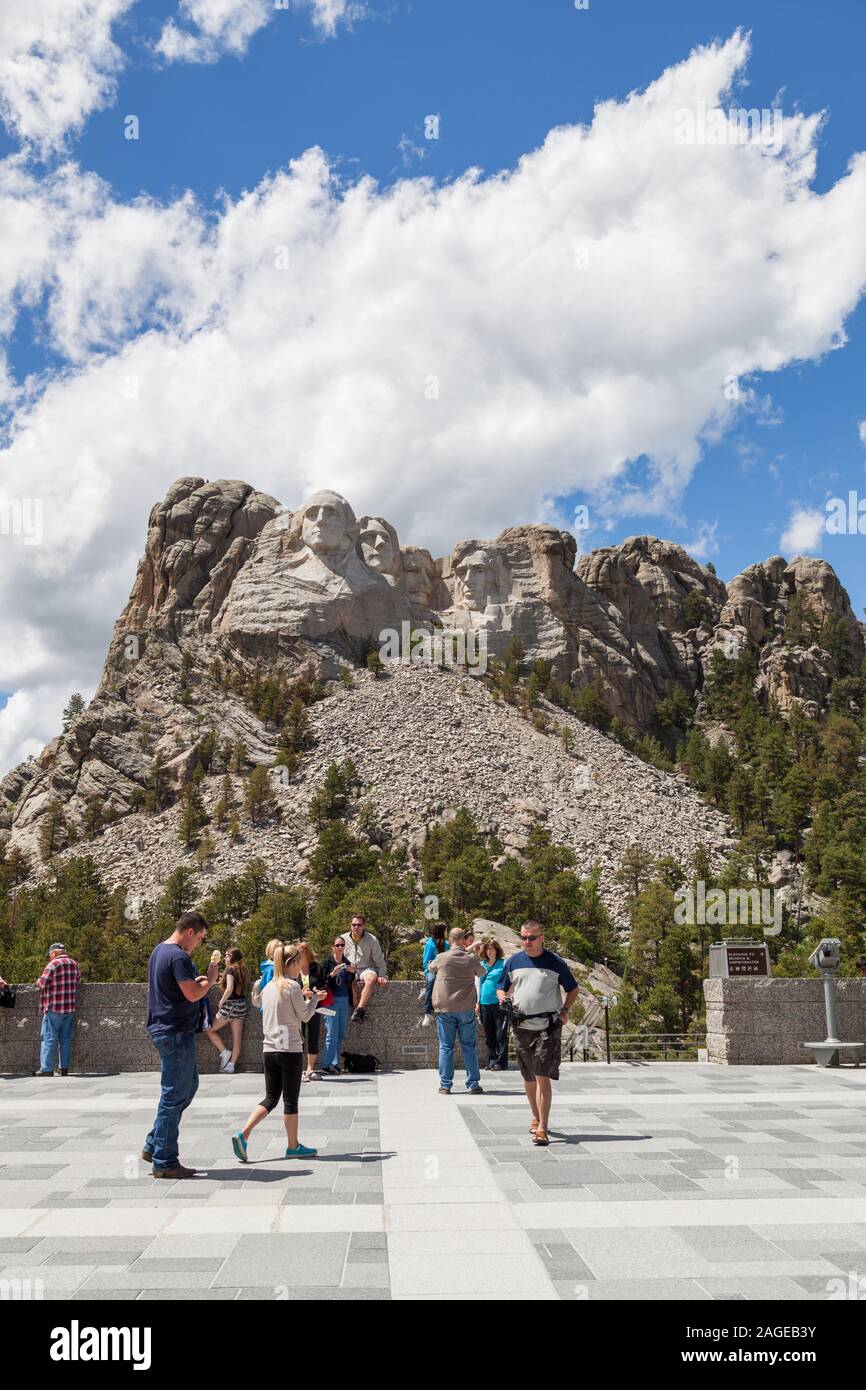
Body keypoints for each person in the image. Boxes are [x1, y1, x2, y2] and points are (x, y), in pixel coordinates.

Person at [144, 911, 219, 1179]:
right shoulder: (178, 956)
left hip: (167, 1029)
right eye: (199, 938)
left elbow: (179, 988)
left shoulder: (159, 951)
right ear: (190, 932)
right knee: (174, 1094)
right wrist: (209, 979)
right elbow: (191, 995)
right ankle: (164, 1161)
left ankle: (154, 1143)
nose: (198, 943)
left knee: (187, 1087)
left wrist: (197, 982)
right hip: (174, 1031)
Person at [231, 942, 323, 1162]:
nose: (300, 968)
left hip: (269, 1049)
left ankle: (243, 1133)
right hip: (289, 1049)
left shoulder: (268, 987)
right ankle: (293, 1146)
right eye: (298, 964)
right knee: (290, 1100)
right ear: (292, 964)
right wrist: (314, 999)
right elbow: (305, 1016)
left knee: (271, 1098)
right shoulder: (291, 987)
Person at [497, 921, 579, 1147]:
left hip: (548, 1027)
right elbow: (501, 986)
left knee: (542, 1075)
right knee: (528, 1076)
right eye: (523, 938)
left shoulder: (555, 963)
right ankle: (535, 1115)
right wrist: (503, 998)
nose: (527, 942)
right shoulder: (513, 961)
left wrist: (565, 1011)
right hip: (521, 1026)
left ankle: (543, 1127)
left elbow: (573, 988)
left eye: (531, 938)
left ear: (542, 937)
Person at [428, 927, 486, 1096]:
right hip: (466, 1008)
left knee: (446, 1047)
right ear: (463, 940)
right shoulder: (470, 959)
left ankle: (446, 1085)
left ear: (449, 939)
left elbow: (431, 968)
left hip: (445, 1008)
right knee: (469, 1046)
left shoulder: (442, 957)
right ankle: (473, 1084)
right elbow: (481, 972)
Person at [34, 943, 81, 1077]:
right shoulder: (74, 964)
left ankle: (46, 1069)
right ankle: (64, 1068)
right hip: (69, 1008)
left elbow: (42, 984)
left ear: (53, 953)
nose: (49, 958)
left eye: (50, 955)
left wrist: (37, 980)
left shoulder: (53, 965)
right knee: (65, 1039)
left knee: (48, 1038)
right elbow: (78, 980)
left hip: (54, 1007)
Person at [205, 947, 250, 1073]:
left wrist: (221, 1001)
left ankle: (224, 1052)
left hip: (230, 1005)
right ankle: (231, 1065)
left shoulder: (230, 969)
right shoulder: (243, 970)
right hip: (241, 1005)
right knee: (237, 1038)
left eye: (227, 955)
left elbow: (229, 988)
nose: (225, 957)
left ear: (233, 957)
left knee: (209, 1029)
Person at [341, 914, 388, 1023]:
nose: (356, 927)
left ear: (364, 926)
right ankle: (357, 1013)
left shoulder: (372, 939)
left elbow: (379, 960)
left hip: (365, 968)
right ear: (350, 925)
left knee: (372, 978)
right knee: (349, 980)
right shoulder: (343, 939)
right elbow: (337, 957)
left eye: (359, 925)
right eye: (353, 924)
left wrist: (382, 975)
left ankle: (359, 1009)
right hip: (349, 968)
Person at [320, 936, 356, 1074]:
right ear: (332, 947)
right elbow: (321, 981)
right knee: (331, 1034)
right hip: (330, 1001)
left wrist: (352, 972)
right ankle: (326, 1064)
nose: (340, 948)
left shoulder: (346, 962)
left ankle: (334, 1064)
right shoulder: (326, 963)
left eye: (342, 945)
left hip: (344, 1000)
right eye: (337, 945)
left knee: (340, 1034)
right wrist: (332, 974)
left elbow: (350, 980)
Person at [298, 942, 328, 1082]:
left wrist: (316, 993)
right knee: (298, 1038)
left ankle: (310, 1069)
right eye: (298, 951)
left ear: (308, 953)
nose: (300, 954)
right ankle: (299, 1069)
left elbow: (324, 986)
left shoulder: (317, 968)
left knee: (313, 1036)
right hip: (298, 1008)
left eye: (302, 951)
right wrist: (302, 993)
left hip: (315, 1007)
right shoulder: (293, 968)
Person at [477, 938, 509, 1070]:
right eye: (487, 949)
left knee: (501, 1033)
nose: (490, 951)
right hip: (484, 1002)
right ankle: (491, 1060)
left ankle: (501, 1062)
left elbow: (509, 981)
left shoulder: (503, 963)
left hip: (499, 1003)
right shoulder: (481, 965)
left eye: (492, 948)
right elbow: (477, 984)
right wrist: (477, 1002)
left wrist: (507, 996)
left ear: (497, 950)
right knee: (489, 1034)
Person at [420, 922, 448, 1029]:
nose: (447, 932)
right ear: (441, 931)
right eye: (446, 930)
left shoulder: (447, 944)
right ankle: (428, 1013)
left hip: (443, 971)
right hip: (431, 970)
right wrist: (433, 967)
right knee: (431, 981)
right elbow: (426, 962)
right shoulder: (430, 944)